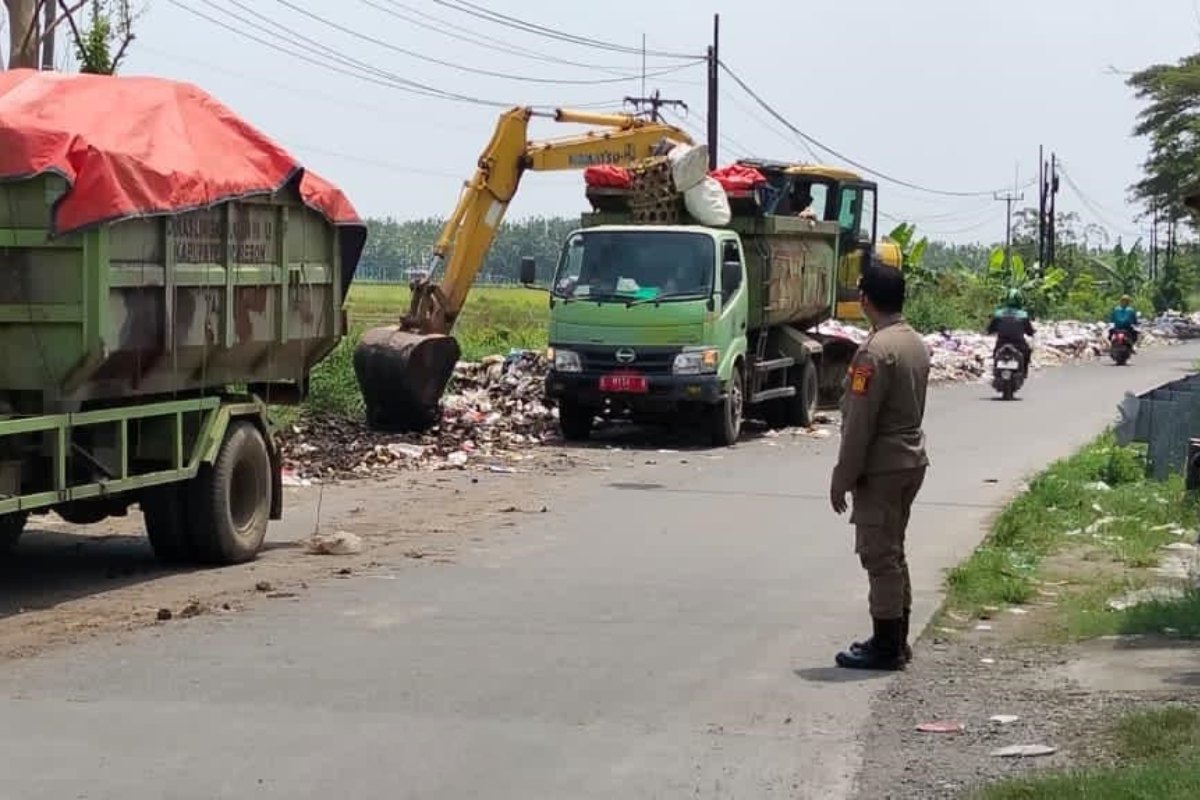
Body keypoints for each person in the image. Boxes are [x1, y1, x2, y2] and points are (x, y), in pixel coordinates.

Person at [829, 262, 931, 671]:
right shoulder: (914, 342)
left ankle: (886, 645)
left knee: (878, 553)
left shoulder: (875, 351)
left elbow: (859, 424)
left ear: (865, 299)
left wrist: (842, 478)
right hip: (910, 458)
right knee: (894, 548)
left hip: (883, 465)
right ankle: (895, 638)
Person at [986, 289, 1035, 378]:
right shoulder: (1023, 315)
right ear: (1019, 301)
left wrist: (989, 332)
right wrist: (1031, 333)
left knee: (995, 354)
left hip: (1002, 342)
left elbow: (990, 329)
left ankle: (995, 372)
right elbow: (1029, 331)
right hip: (1018, 343)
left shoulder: (998, 313)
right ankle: (1024, 373)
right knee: (1027, 352)